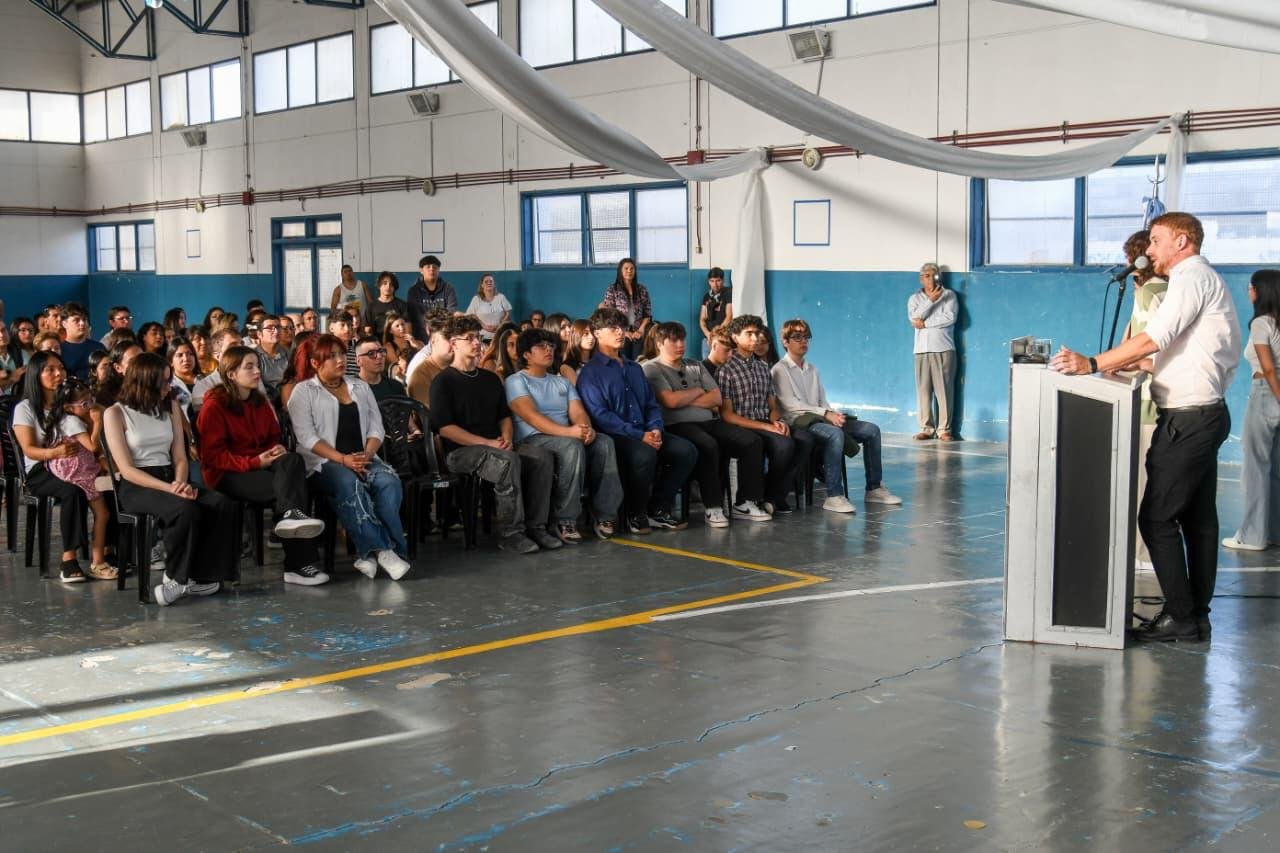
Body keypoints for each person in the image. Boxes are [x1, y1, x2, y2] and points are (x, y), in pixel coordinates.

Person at [1050, 212, 1240, 643]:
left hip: (1188, 419)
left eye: (1156, 240)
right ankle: (1195, 616)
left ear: (1182, 241)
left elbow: (1154, 337)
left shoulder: (1190, 278)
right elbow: (1185, 354)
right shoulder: (1201, 279)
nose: (1149, 249)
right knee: (1198, 521)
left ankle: (1181, 618)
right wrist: (1136, 364)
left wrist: (1092, 363)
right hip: (1204, 413)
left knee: (1155, 519)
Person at [103, 353, 241, 605]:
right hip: (138, 485)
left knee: (221, 503)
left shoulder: (171, 407)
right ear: (145, 382)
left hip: (172, 477)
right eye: (164, 382)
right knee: (184, 509)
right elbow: (127, 469)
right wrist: (170, 489)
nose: (170, 387)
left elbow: (179, 456)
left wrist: (179, 483)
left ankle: (204, 576)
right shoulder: (115, 413)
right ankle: (177, 578)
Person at [198, 345, 328, 586]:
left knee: (293, 460)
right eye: (249, 367)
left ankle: (290, 517)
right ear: (231, 374)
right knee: (288, 490)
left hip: (260, 464)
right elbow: (213, 458)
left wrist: (275, 449)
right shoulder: (214, 406)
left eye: (257, 366)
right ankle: (298, 565)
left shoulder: (259, 402)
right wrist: (254, 462)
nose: (257, 371)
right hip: (227, 473)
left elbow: (272, 438)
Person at [430, 315, 559, 554]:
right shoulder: (443, 381)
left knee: (542, 457)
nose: (476, 342)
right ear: (454, 343)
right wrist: (487, 443)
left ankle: (537, 526)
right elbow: (445, 428)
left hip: (496, 445)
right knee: (506, 462)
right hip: (460, 452)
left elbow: (504, 416)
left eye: (478, 337)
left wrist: (507, 437)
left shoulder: (489, 379)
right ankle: (511, 534)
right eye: (469, 338)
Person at [287, 334, 411, 580]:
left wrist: (367, 454)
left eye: (342, 354)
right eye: (332, 356)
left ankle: (370, 555)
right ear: (315, 363)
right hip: (324, 462)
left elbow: (376, 427)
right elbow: (307, 438)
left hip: (363, 457)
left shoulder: (360, 387)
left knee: (389, 482)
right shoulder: (303, 391)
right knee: (349, 482)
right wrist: (343, 460)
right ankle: (384, 551)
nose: (340, 360)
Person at [577, 307, 697, 534]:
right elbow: (601, 415)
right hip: (616, 436)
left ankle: (657, 508)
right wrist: (640, 435)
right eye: (612, 328)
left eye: (622, 327)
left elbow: (651, 403)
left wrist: (655, 428)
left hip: (645, 431)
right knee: (644, 454)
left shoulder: (634, 368)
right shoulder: (591, 373)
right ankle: (636, 513)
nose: (620, 332)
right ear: (597, 333)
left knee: (686, 451)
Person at [643, 322, 769, 526]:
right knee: (708, 445)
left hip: (709, 422)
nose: (680, 344)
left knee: (751, 441)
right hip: (678, 425)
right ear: (659, 343)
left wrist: (684, 397)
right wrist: (698, 391)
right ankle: (713, 507)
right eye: (673, 340)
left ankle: (744, 502)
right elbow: (670, 401)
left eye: (682, 339)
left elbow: (717, 399)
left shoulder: (695, 365)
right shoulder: (651, 368)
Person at [773, 318, 902, 514]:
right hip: (799, 423)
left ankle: (874, 488)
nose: (803, 341)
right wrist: (826, 414)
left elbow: (822, 400)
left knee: (872, 430)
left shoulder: (812, 369)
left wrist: (833, 414)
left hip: (820, 417)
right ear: (785, 341)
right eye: (797, 337)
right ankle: (834, 496)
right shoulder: (779, 370)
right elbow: (791, 406)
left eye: (806, 337)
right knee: (835, 434)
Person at [506, 328, 623, 542]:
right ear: (526, 354)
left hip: (564, 436)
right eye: (541, 346)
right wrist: (570, 432)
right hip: (533, 439)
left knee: (604, 442)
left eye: (551, 346)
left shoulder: (562, 382)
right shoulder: (516, 381)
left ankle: (605, 515)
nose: (549, 350)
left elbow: (578, 411)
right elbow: (532, 417)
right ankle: (565, 519)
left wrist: (586, 429)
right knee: (572, 446)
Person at [11, 353, 106, 583]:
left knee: (108, 488)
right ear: (36, 374)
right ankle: (68, 559)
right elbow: (29, 449)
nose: (58, 374)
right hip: (40, 469)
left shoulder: (70, 401)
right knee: (73, 491)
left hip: (76, 464)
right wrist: (55, 453)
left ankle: (105, 552)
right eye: (50, 370)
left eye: (61, 368)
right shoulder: (25, 408)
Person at [716, 314, 804, 514]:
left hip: (765, 421)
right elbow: (727, 415)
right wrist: (767, 426)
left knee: (804, 439)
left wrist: (778, 421)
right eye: (749, 334)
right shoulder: (726, 370)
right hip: (742, 425)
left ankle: (772, 497)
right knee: (784, 445)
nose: (755, 338)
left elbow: (772, 406)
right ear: (735, 337)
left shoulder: (763, 368)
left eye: (757, 333)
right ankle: (755, 499)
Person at [1119, 230, 1169, 570]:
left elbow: (1144, 345)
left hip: (1148, 398)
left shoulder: (1151, 293)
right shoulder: (1163, 290)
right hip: (1160, 398)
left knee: (1143, 481)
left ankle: (1143, 553)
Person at [1224, 270, 1280, 552]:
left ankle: (1253, 536)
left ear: (1262, 291)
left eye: (1252, 287)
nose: (1249, 291)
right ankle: (1274, 532)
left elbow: (1267, 368)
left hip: (1266, 393)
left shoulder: (1261, 323)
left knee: (1255, 468)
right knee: (1276, 469)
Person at [44, 379, 117, 580]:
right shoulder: (72, 421)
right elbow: (93, 447)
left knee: (103, 513)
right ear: (69, 407)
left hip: (79, 468)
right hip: (78, 473)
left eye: (91, 400)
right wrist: (98, 422)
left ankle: (100, 557)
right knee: (103, 514)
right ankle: (98, 562)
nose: (90, 406)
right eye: (85, 404)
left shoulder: (69, 418)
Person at [908, 262, 958, 441]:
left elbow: (949, 318)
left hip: (943, 348)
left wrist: (926, 324)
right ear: (921, 279)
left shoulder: (949, 295)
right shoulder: (914, 298)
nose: (931, 279)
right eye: (927, 276)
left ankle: (944, 430)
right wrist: (930, 301)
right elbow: (914, 318)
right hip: (921, 350)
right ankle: (926, 428)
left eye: (934, 275)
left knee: (944, 391)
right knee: (923, 391)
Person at [599, 258, 652, 360]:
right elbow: (609, 314)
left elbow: (647, 313)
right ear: (620, 271)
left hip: (638, 331)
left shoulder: (642, 289)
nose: (629, 271)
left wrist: (641, 330)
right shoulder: (612, 289)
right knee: (623, 359)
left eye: (632, 269)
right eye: (626, 268)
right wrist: (622, 331)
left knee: (638, 359)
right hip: (620, 331)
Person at [407, 311, 453, 411]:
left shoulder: (456, 365)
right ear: (433, 340)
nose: (454, 342)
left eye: (456, 337)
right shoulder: (420, 373)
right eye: (448, 337)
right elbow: (432, 416)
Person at [407, 255, 459, 342]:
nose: (432, 269)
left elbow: (451, 311)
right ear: (421, 270)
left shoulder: (448, 289)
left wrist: (439, 330)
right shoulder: (413, 291)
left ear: (439, 270)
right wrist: (432, 328)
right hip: (421, 337)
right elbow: (416, 316)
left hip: (444, 334)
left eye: (435, 267)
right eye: (428, 267)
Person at [58, 302, 104, 380]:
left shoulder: (98, 347)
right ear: (64, 324)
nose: (82, 323)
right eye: (76, 320)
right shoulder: (59, 350)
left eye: (84, 319)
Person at [356, 335, 406, 402]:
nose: (379, 356)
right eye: (371, 354)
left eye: (381, 351)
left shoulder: (396, 387)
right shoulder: (349, 389)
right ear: (358, 361)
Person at [465, 274, 513, 342]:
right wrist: (483, 325)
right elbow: (470, 314)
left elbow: (508, 312)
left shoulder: (501, 297)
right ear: (482, 285)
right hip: (482, 337)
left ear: (494, 284)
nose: (489, 283)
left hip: (500, 336)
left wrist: (499, 325)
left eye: (491, 281)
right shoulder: (476, 299)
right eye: (486, 281)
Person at [699, 267, 733, 358]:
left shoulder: (728, 293)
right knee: (706, 365)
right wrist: (708, 334)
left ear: (723, 280)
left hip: (723, 338)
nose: (715, 284)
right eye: (712, 281)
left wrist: (717, 335)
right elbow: (702, 319)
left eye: (718, 280)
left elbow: (729, 316)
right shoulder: (707, 296)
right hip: (708, 339)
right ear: (708, 282)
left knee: (723, 364)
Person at [330, 264, 373, 329]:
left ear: (353, 273)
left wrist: (370, 317)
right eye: (345, 272)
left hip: (362, 321)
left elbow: (371, 302)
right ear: (342, 275)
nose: (348, 273)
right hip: (346, 322)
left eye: (350, 271)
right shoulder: (338, 289)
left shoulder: (362, 285)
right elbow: (333, 308)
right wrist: (338, 321)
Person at [369, 271, 409, 337]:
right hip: (377, 342)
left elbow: (408, 328)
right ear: (379, 286)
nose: (388, 287)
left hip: (398, 341)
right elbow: (368, 330)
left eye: (391, 284)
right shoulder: (371, 307)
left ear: (394, 287)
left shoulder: (402, 305)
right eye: (385, 283)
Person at [560, 319, 596, 385]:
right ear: (575, 335)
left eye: (593, 333)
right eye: (586, 333)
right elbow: (579, 389)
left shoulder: (598, 361)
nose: (591, 337)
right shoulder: (567, 366)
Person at [327, 313, 358, 377]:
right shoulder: (325, 352)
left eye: (350, 325)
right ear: (331, 328)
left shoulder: (358, 352)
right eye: (342, 325)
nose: (347, 329)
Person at [0, 323, 25, 396]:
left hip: (22, 398)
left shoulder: (21, 353)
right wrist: (11, 379)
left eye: (3, 330)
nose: (1, 335)